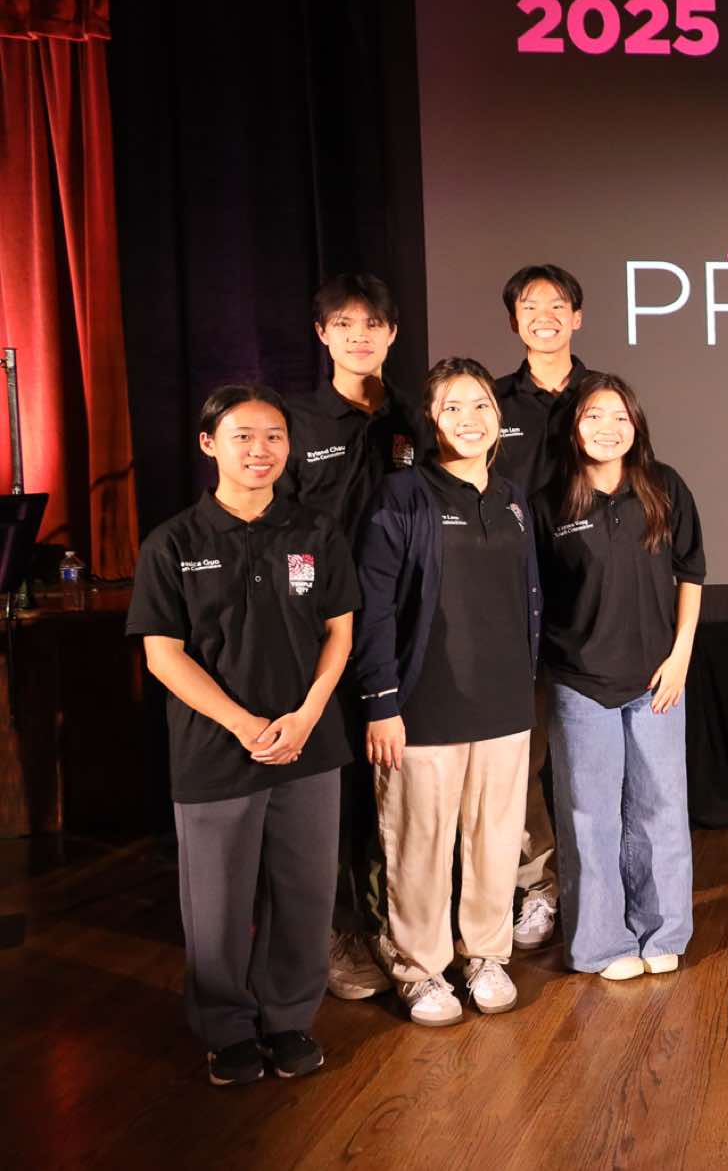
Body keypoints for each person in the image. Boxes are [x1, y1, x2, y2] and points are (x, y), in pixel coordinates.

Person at [127, 384, 359, 1084]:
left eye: (274, 436)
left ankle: (289, 1019)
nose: (261, 450)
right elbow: (163, 655)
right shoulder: (174, 542)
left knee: (305, 895)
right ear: (209, 444)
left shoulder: (316, 531)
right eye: (243, 436)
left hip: (309, 746)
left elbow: (339, 632)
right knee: (217, 903)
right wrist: (244, 723)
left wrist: (308, 714)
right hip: (214, 750)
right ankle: (226, 1028)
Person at [354, 357, 541, 1025]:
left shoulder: (513, 497)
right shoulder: (402, 495)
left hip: (505, 705)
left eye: (481, 404)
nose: (470, 418)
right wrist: (381, 702)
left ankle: (485, 954)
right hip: (423, 708)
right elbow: (373, 606)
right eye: (453, 407)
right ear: (431, 421)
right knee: (419, 846)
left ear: (498, 417)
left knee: (495, 843)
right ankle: (419, 967)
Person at [279, 272, 420, 1005]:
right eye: (343, 323)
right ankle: (336, 931)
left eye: (372, 324)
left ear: (392, 333)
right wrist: (308, 609)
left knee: (395, 789)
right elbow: (281, 530)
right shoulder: (296, 421)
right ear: (322, 334)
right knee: (331, 792)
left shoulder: (415, 417)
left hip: (404, 630)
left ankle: (397, 925)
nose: (358, 335)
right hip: (323, 634)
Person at [535, 375, 706, 979]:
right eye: (593, 416)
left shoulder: (664, 487)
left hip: (658, 677)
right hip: (580, 682)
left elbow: (691, 573)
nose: (607, 429)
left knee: (661, 809)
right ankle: (603, 945)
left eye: (620, 418)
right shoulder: (549, 502)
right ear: (573, 427)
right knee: (590, 817)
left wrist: (681, 655)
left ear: (637, 426)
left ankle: (662, 933)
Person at [494, 264, 598, 951]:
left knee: (592, 755)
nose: (544, 315)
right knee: (523, 757)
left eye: (557, 304)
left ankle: (601, 883)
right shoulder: (493, 402)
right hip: (516, 603)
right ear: (515, 321)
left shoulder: (604, 395)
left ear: (577, 317)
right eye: (530, 306)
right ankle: (538, 884)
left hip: (595, 599)